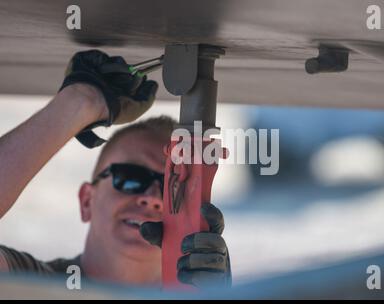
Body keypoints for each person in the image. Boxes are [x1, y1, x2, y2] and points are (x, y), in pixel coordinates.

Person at [0, 50, 231, 288]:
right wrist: (82, 101)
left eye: (170, 186)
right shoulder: (30, 289)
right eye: (131, 178)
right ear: (87, 201)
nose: (152, 199)